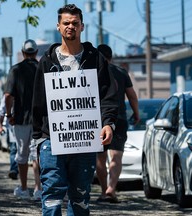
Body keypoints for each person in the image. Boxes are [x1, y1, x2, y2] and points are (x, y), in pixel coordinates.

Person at [31, 4, 118, 215]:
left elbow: (108, 96)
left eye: (75, 23)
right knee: (51, 194)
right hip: (52, 139)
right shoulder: (47, 62)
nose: (71, 26)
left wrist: (108, 124)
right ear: (58, 27)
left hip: (85, 139)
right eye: (66, 23)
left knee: (80, 197)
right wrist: (38, 139)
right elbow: (38, 102)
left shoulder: (95, 59)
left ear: (82, 27)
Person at [96, 44, 140, 203]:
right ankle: (111, 189)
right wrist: (136, 113)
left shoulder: (92, 73)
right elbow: (132, 95)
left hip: (98, 119)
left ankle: (103, 191)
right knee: (116, 156)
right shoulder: (121, 72)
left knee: (100, 157)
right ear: (111, 57)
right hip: (119, 118)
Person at [5, 39, 42, 200]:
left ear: (23, 52)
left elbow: (8, 96)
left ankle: (24, 188)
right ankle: (38, 189)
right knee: (37, 155)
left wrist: (8, 115)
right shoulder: (42, 68)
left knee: (22, 154)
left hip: (20, 118)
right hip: (41, 119)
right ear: (36, 52)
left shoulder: (16, 70)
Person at [0, 94, 19, 180]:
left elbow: (2, 111)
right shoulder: (7, 96)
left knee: (17, 150)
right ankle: (14, 170)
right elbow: (2, 111)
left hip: (19, 125)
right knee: (14, 149)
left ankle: (16, 169)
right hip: (12, 127)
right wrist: (0, 126)